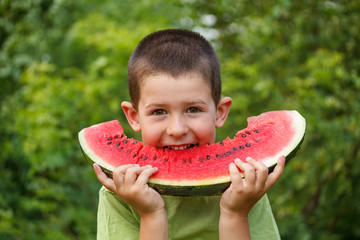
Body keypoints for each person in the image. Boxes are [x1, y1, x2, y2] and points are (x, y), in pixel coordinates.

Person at [93, 29, 285, 240]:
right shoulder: (119, 192)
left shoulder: (247, 185)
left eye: (193, 109)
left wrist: (235, 213)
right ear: (134, 117)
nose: (177, 129)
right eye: (159, 112)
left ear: (220, 113)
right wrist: (151, 215)